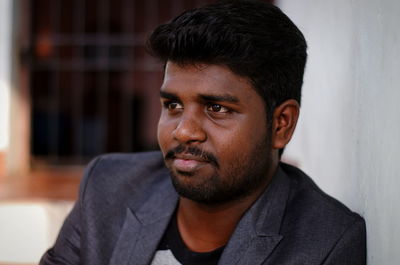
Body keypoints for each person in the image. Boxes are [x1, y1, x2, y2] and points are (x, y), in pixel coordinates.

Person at [40, 1, 366, 264]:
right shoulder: (107, 187)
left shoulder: (327, 243)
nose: (183, 131)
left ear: (281, 124)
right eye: (173, 105)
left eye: (216, 108)